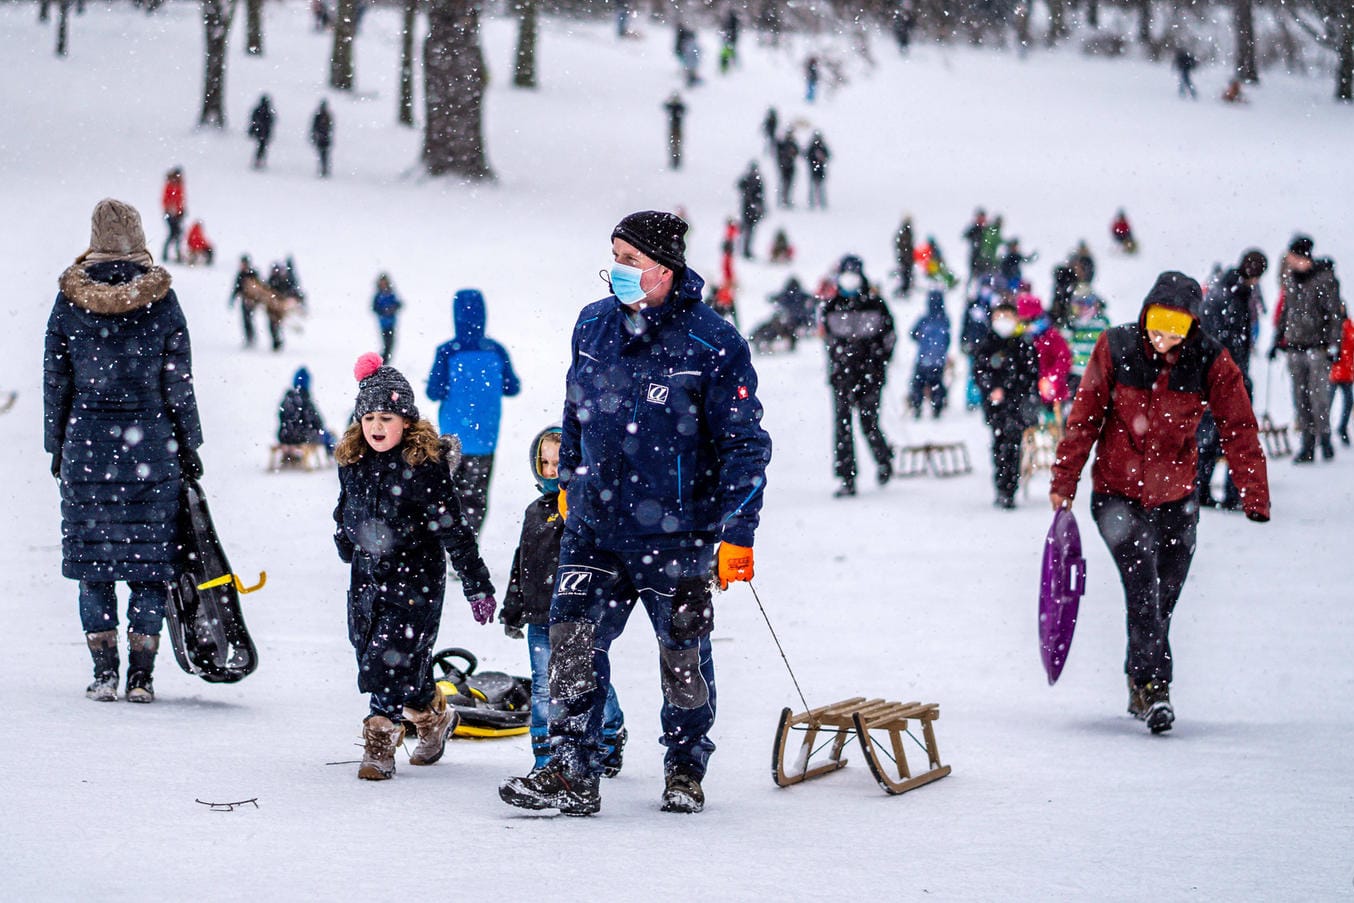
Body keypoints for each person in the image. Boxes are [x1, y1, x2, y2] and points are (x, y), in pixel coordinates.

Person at [499, 210, 771, 816]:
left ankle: (684, 765)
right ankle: (571, 768)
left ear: (665, 267)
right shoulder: (593, 325)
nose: (616, 271)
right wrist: (569, 479)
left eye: (630, 260)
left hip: (678, 535)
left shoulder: (713, 343)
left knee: (682, 657)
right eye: (614, 257)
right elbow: (574, 409)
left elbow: (745, 445)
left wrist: (736, 532)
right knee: (571, 641)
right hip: (593, 528)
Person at [1050, 272, 1270, 734]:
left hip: (1177, 497)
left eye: (1176, 327)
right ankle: (1155, 690)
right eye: (1157, 324)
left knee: (1163, 597)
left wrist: (1253, 491)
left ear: (1192, 325)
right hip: (1117, 494)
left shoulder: (1210, 360)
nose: (1164, 336)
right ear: (1145, 314)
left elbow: (1238, 425)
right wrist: (1065, 479)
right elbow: (1085, 416)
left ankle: (1138, 674)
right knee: (1144, 589)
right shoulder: (1117, 347)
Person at [44, 198, 204, 703]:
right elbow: (178, 381)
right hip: (151, 449)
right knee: (148, 564)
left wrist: (57, 444)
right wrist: (189, 444)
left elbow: (56, 382)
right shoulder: (161, 301)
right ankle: (142, 675)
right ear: (139, 239)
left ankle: (104, 672)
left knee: (95, 566)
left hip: (86, 448)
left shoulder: (69, 301)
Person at [334, 354, 496, 781]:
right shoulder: (353, 461)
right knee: (377, 654)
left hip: (415, 580)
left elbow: (454, 528)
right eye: (368, 416)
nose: (376, 426)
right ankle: (431, 717)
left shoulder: (423, 467)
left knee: (387, 661)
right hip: (367, 578)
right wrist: (343, 537)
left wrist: (477, 584)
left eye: (386, 416)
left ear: (406, 420)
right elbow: (344, 508)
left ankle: (380, 741)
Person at [499, 426, 627, 776]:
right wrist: (513, 606)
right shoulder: (534, 511)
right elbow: (521, 561)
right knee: (543, 686)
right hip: (540, 617)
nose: (552, 470)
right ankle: (546, 759)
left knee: (586, 681)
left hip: (576, 616)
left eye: (559, 461)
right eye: (544, 462)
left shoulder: (587, 509)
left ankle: (610, 731)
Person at [426, 289, 521, 535]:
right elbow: (512, 388)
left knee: (447, 496)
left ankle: (448, 546)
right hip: (485, 438)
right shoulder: (495, 350)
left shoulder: (448, 351)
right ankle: (469, 545)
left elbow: (434, 392)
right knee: (476, 498)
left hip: (451, 441)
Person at [1197, 250, 1266, 506]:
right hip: (1225, 376)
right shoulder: (1232, 298)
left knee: (1211, 436)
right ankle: (1231, 494)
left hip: (1216, 376)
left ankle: (1202, 489)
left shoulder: (1224, 292)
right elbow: (1229, 343)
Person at [823, 255, 895, 496]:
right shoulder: (832, 306)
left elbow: (889, 337)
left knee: (868, 422)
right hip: (842, 377)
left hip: (870, 376)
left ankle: (884, 459)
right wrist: (841, 359)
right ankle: (847, 477)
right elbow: (830, 341)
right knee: (842, 426)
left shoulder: (875, 304)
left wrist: (878, 359)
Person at [1271, 236, 1345, 462]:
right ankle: (1307, 444)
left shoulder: (1324, 280)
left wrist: (1335, 345)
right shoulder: (1290, 279)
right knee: (1299, 397)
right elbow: (1287, 310)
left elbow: (1334, 316)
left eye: (1292, 256)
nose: (1289, 260)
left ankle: (1324, 437)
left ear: (1301, 256)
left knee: (1318, 397)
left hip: (1317, 348)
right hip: (1295, 347)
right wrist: (1277, 337)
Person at [973, 300, 1040, 508]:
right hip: (995, 407)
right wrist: (992, 387)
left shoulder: (1023, 343)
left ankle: (1009, 488)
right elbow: (979, 371)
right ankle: (1001, 486)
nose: (1002, 322)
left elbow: (1030, 373)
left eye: (1007, 317)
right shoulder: (987, 343)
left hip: (1017, 405)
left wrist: (1013, 390)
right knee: (999, 444)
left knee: (1013, 445)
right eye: (998, 317)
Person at [1017, 293, 1072, 415]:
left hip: (1054, 396)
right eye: (1023, 322)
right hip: (1030, 396)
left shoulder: (1051, 336)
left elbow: (1064, 359)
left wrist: (1051, 378)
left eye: (1030, 320)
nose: (1027, 326)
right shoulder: (1023, 339)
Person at [1063, 285, 1110, 403]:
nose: (1080, 308)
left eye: (1084, 304)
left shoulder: (1101, 323)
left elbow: (1107, 346)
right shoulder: (1073, 323)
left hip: (1093, 373)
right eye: (1077, 304)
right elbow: (1065, 345)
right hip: (1074, 373)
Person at [908, 289, 951, 419]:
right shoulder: (945, 320)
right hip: (938, 360)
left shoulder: (924, 319)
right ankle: (937, 407)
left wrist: (922, 341)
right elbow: (947, 339)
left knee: (918, 384)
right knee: (936, 384)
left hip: (923, 359)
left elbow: (912, 334)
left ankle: (917, 406)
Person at [276, 366, 334, 460]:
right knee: (327, 434)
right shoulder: (305, 400)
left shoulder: (287, 398)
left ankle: (289, 457)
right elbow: (317, 421)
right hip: (302, 436)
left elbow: (281, 416)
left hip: (284, 436)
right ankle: (333, 454)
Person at [1330, 316, 1354, 446]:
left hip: (1345, 372)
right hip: (1336, 372)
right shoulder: (1336, 326)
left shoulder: (1347, 326)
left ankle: (1342, 427)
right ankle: (1327, 431)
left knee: (1347, 402)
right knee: (1328, 403)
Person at [229, 255, 260, 347]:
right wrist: (232, 299)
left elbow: (260, 287)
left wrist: (256, 299)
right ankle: (249, 337)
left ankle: (251, 337)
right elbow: (236, 288)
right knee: (245, 319)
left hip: (252, 300)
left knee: (249, 318)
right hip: (245, 300)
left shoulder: (253, 273)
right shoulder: (241, 274)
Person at [736, 161, 766, 259]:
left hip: (750, 209)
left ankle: (744, 249)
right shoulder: (753, 180)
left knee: (748, 231)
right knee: (747, 230)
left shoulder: (753, 180)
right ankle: (744, 249)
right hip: (749, 209)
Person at [371, 273, 402, 363]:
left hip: (392, 324)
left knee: (391, 345)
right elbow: (374, 308)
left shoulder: (391, 294)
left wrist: (393, 308)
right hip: (384, 324)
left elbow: (399, 304)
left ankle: (383, 362)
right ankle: (381, 363)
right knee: (386, 345)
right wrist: (384, 311)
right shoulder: (378, 295)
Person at [160, 167, 186, 263]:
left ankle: (176, 254)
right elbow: (166, 199)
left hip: (178, 214)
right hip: (171, 214)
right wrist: (170, 210)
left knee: (178, 234)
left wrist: (181, 210)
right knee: (174, 234)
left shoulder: (179, 185)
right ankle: (167, 254)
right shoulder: (170, 185)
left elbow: (181, 199)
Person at [804, 130, 830, 210]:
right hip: (813, 169)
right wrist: (814, 160)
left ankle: (821, 202)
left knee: (820, 187)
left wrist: (822, 158)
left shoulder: (822, 146)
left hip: (820, 169)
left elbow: (828, 155)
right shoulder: (812, 147)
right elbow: (807, 156)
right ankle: (812, 202)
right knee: (813, 187)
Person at [248, 94, 275, 170]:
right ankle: (260, 160)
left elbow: (253, 121)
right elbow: (271, 122)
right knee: (262, 147)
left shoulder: (258, 110)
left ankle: (259, 160)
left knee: (261, 147)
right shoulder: (268, 111)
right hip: (264, 132)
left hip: (260, 132)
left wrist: (252, 130)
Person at [774, 129, 799, 208]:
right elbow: (779, 152)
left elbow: (797, 152)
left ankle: (785, 200)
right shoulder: (784, 144)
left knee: (788, 185)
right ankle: (783, 200)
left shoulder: (792, 144)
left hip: (789, 167)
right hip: (785, 167)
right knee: (784, 184)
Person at [310, 100, 333, 178]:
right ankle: (324, 169)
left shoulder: (322, 115)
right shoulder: (324, 115)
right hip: (323, 138)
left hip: (323, 138)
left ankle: (324, 169)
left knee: (323, 154)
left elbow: (314, 127)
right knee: (323, 154)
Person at [664, 92, 686, 170]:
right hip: (674, 128)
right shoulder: (675, 107)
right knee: (674, 145)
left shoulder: (678, 107)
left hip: (676, 128)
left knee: (676, 145)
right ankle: (675, 161)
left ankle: (676, 161)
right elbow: (665, 106)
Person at [895, 215, 915, 297]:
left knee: (906, 274)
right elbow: (904, 245)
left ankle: (905, 289)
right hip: (906, 258)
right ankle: (904, 290)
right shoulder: (906, 232)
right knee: (906, 274)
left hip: (906, 257)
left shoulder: (906, 231)